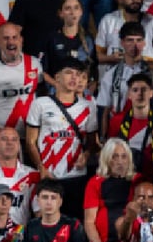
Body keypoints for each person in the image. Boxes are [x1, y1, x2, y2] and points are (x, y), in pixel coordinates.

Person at [25, 58, 98, 220]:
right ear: (57, 77)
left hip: (77, 176)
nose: (74, 78)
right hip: (50, 176)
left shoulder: (88, 107)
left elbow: (93, 142)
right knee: (48, 223)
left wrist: (86, 155)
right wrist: (40, 167)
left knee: (75, 223)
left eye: (78, 75)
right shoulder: (40, 104)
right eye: (69, 73)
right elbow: (30, 141)